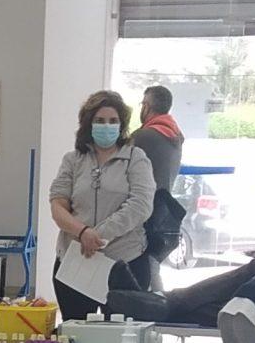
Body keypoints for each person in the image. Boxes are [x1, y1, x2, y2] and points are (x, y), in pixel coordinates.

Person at [47, 91, 157, 318]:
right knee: (76, 334)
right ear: (89, 124)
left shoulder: (136, 158)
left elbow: (141, 205)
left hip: (125, 263)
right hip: (75, 263)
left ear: (122, 125)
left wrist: (98, 235)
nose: (106, 126)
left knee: (122, 335)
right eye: (100, 120)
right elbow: (58, 204)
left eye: (113, 121)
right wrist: (82, 232)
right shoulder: (73, 160)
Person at [130, 86, 187, 281]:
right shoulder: (175, 136)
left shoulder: (144, 137)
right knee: (152, 269)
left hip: (142, 215)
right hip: (163, 214)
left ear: (147, 106)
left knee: (141, 273)